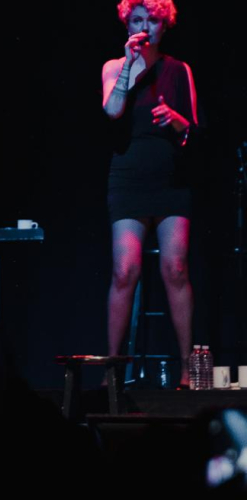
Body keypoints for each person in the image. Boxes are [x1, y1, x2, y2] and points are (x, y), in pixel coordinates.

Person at [101, 0, 197, 387]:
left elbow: (192, 130)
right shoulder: (113, 67)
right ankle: (112, 369)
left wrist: (177, 121)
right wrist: (128, 63)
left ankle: (189, 369)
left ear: (164, 24)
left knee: (175, 268)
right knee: (125, 270)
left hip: (171, 179)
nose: (144, 26)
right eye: (137, 19)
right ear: (127, 23)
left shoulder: (179, 69)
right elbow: (112, 110)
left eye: (152, 20)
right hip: (128, 177)